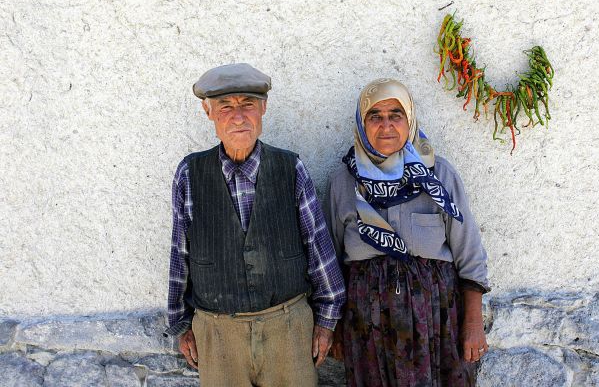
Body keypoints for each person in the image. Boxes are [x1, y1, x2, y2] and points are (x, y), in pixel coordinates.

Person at [165, 63, 346, 387]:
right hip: (218, 333)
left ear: (263, 108)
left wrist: (327, 320)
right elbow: (180, 255)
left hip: (288, 329)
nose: (238, 116)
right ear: (208, 113)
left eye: (247, 104)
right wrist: (180, 324)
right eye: (225, 106)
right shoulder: (189, 175)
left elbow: (318, 246)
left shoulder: (291, 168)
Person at [328, 78, 490, 386]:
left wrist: (473, 323)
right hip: (367, 323)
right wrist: (334, 327)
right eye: (375, 115)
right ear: (362, 125)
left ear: (410, 119)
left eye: (395, 114)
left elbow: (470, 255)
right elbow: (332, 262)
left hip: (437, 320)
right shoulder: (343, 183)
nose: (386, 125)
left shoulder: (439, 175)